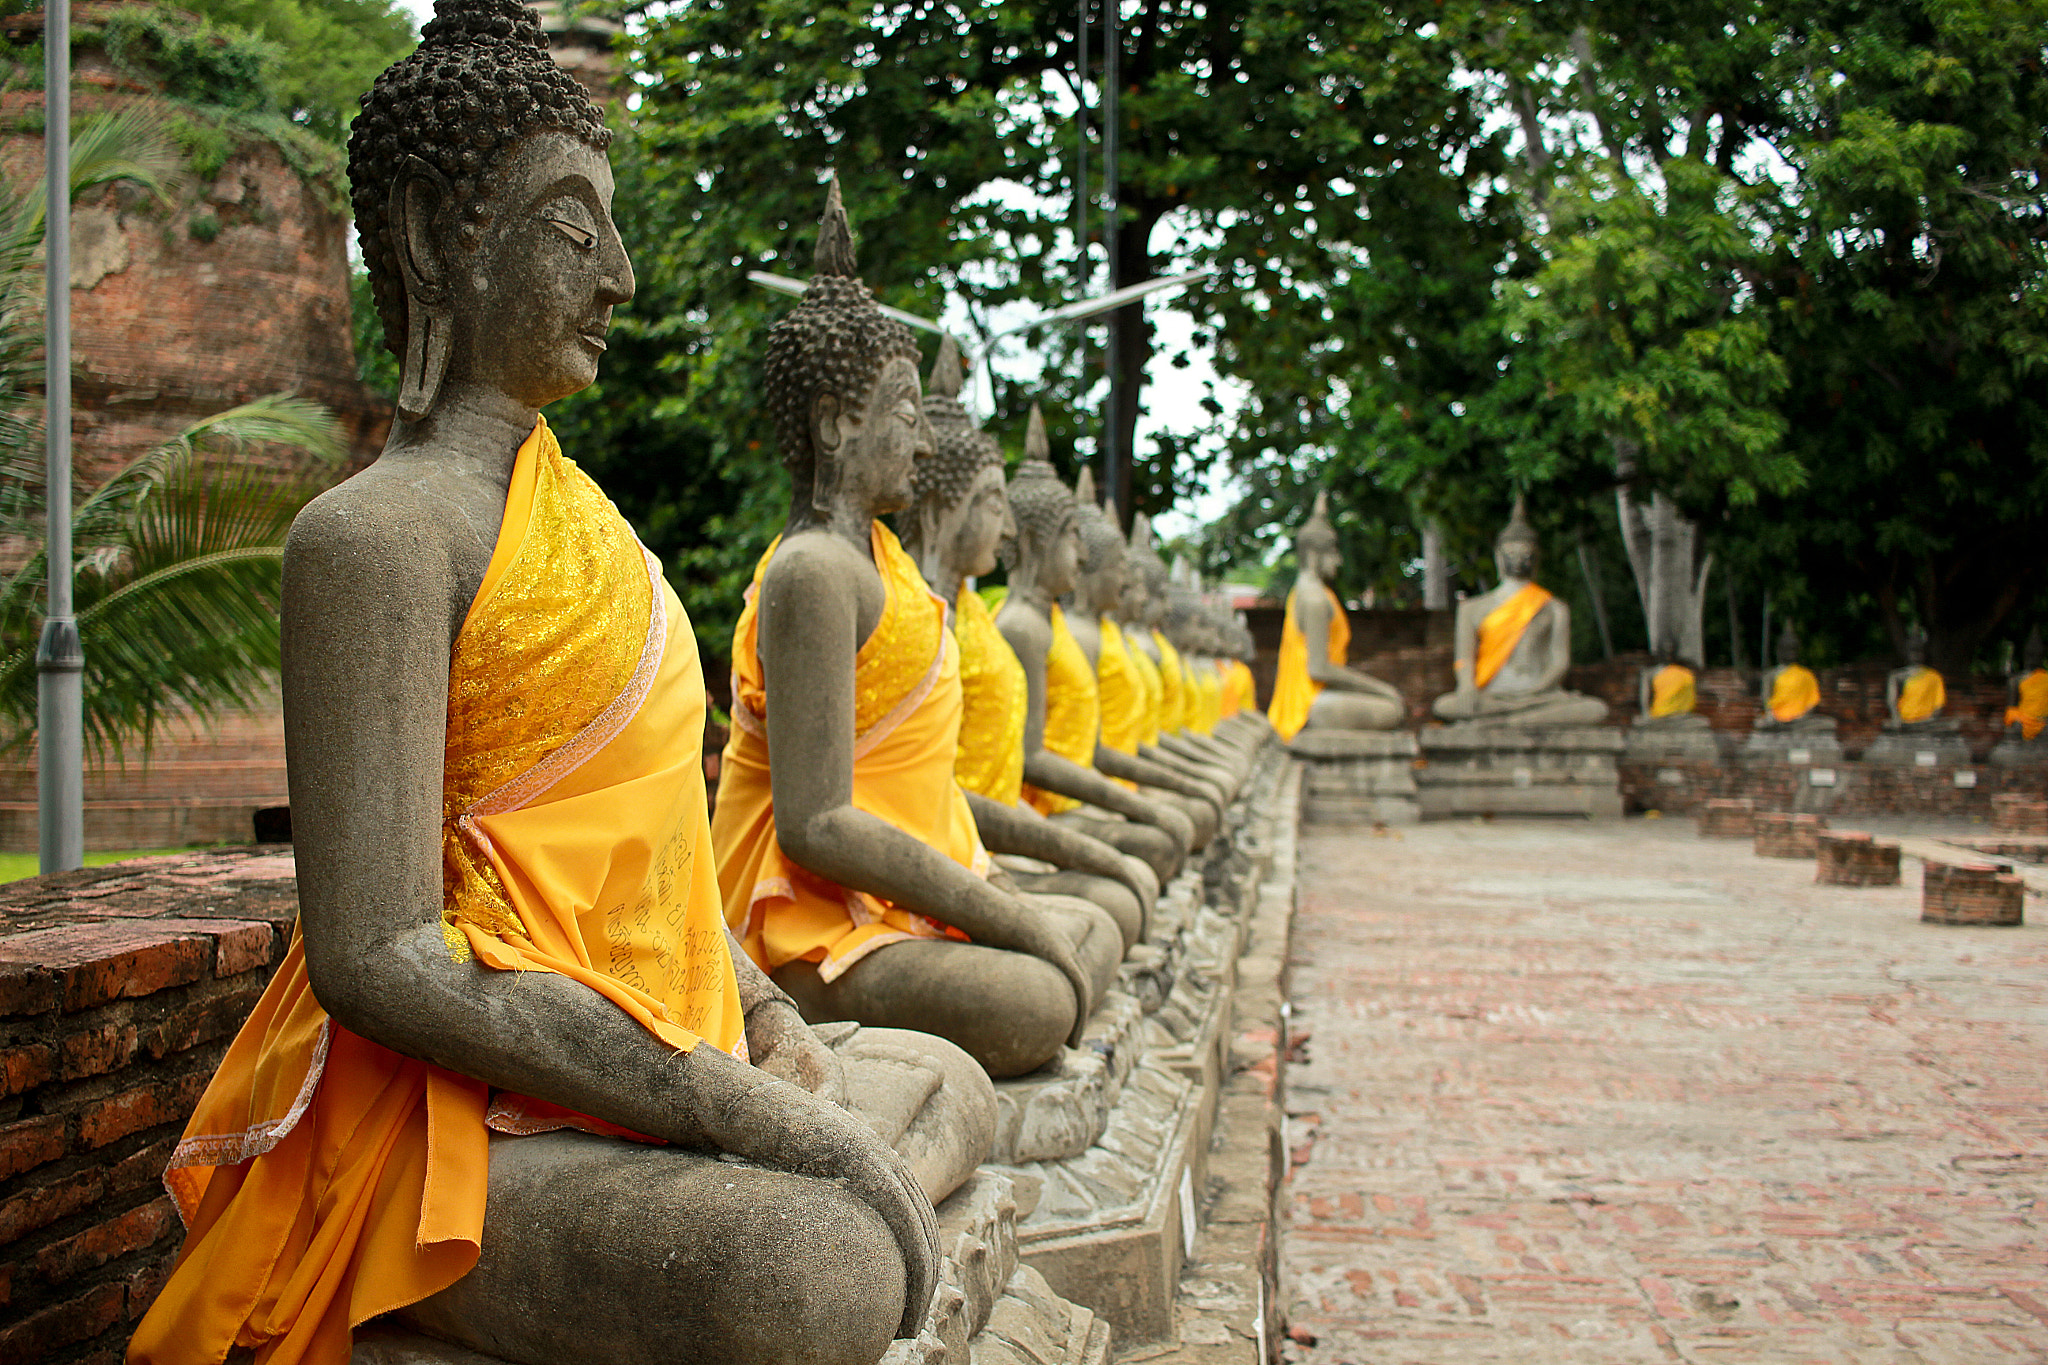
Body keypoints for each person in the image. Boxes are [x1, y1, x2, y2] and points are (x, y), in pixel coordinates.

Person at [130, 12, 985, 1362]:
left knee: (950, 1083)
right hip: (445, 1121)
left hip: (658, 1049)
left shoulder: (593, 527)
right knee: (810, 1268)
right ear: (430, 238)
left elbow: (649, 850)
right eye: (578, 228)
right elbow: (379, 958)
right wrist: (726, 1103)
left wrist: (761, 1021)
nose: (623, 277)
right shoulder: (375, 538)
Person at [709, 184, 1122, 1080]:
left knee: (1089, 929)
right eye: (904, 418)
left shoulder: (888, 568)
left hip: (895, 896)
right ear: (834, 422)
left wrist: (1000, 901)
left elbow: (923, 789)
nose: (923, 447)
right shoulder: (812, 571)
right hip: (810, 925)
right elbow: (816, 823)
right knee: (1037, 999)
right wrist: (1006, 914)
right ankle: (815, 1017)